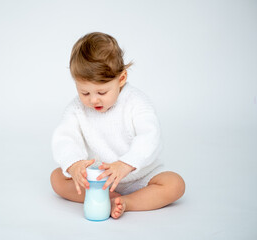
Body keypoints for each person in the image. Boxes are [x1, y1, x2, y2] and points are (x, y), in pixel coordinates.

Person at [50, 32, 185, 219]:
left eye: (102, 91)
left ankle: (128, 202)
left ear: (121, 79)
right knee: (57, 179)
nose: (93, 99)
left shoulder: (136, 102)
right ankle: (105, 195)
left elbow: (150, 135)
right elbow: (65, 137)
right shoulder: (76, 109)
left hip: (137, 175)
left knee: (175, 184)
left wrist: (125, 164)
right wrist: (74, 164)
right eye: (84, 92)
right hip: (98, 178)